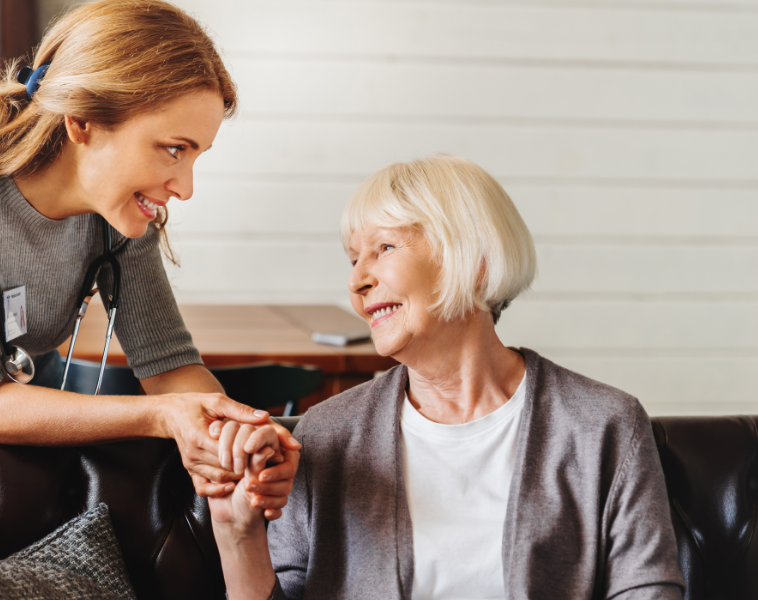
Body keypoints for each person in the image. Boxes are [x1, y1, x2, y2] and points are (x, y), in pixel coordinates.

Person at [0, 0, 299, 509]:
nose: (186, 187)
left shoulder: (119, 215)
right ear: (82, 121)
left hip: (0, 433)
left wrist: (238, 439)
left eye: (197, 155)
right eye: (174, 149)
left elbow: (170, 365)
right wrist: (162, 416)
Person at [209, 156, 686, 599]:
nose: (357, 280)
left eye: (384, 248)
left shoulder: (603, 425)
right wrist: (238, 535)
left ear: (474, 261)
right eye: (354, 258)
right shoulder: (327, 433)